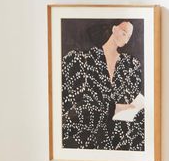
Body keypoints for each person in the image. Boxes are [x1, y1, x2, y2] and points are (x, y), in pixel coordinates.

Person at [61, 20, 144, 151]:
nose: (126, 41)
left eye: (129, 37)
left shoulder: (130, 65)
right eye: (124, 33)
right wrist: (114, 108)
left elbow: (135, 105)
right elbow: (74, 108)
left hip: (122, 139)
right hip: (85, 138)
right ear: (114, 29)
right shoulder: (80, 60)